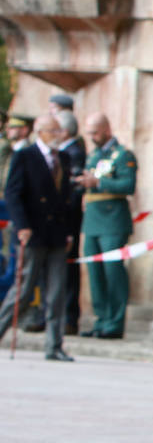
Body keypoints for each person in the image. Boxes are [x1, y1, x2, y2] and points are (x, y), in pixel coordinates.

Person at [0, 115, 81, 361]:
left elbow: (65, 199)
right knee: (23, 289)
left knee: (56, 292)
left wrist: (68, 231)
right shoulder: (25, 156)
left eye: (59, 130)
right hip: (32, 232)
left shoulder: (63, 158)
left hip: (56, 234)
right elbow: (13, 194)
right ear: (41, 132)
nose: (58, 134)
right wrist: (22, 225)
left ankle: (54, 345)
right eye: (53, 131)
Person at [76, 113, 137, 340]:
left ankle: (115, 321)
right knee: (95, 273)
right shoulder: (93, 156)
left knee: (113, 272)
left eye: (95, 132)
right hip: (92, 220)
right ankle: (101, 319)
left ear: (107, 129)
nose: (92, 137)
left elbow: (128, 185)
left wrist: (99, 182)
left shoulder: (122, 155)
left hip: (112, 220)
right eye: (89, 132)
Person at [55, 110, 85, 335]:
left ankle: (68, 318)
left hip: (68, 221)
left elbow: (72, 192)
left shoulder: (73, 153)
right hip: (59, 220)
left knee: (67, 270)